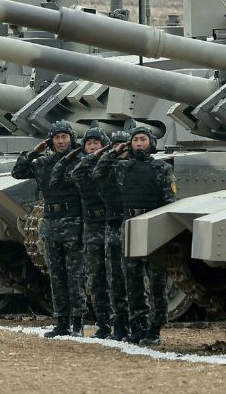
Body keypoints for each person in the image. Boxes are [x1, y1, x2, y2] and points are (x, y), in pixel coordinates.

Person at [97, 126, 175, 346]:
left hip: (153, 226)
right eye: (135, 140)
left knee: (157, 283)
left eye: (143, 139)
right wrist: (113, 151)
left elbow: (170, 201)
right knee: (132, 283)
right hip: (129, 226)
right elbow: (98, 172)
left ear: (151, 142)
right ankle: (138, 326)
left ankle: (154, 328)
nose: (139, 143)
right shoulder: (123, 168)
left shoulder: (162, 168)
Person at [12, 121, 86, 337]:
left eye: (65, 137)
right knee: (57, 276)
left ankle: (78, 322)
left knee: (75, 276)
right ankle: (62, 322)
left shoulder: (80, 162)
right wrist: (35, 151)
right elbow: (18, 171)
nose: (61, 141)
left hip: (73, 222)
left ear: (72, 139)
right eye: (57, 138)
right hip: (51, 223)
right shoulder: (44, 163)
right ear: (50, 141)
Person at [52, 126, 117, 339]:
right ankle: (104, 325)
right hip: (90, 225)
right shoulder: (82, 168)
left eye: (96, 143)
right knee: (94, 279)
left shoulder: (115, 166)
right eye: (88, 143)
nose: (91, 147)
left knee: (115, 277)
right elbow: (65, 175)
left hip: (111, 224)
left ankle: (121, 324)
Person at [92, 129, 131, 341]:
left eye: (125, 145)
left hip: (134, 226)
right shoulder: (106, 171)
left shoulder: (138, 167)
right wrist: (110, 153)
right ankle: (120, 326)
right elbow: (90, 173)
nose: (121, 149)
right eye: (117, 145)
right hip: (114, 228)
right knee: (115, 280)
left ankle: (140, 325)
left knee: (135, 281)